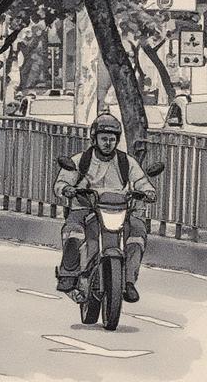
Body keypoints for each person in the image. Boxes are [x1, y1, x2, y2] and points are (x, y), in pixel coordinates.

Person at [53, 113, 156, 303]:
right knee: (73, 232)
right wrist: (67, 189)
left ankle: (128, 281)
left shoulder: (126, 162)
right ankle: (69, 274)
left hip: (120, 209)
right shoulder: (80, 160)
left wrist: (148, 191)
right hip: (85, 208)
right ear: (95, 139)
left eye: (112, 139)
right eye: (104, 139)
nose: (108, 143)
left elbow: (141, 181)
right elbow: (61, 182)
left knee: (138, 232)